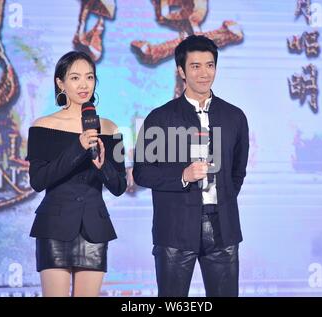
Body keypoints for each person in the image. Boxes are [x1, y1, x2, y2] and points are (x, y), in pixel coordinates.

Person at [133, 35, 249, 297]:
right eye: (195, 66)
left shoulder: (234, 117)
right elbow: (142, 172)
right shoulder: (160, 118)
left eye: (210, 65)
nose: (204, 73)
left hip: (223, 229)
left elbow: (237, 172)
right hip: (174, 229)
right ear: (181, 71)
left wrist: (224, 199)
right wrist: (182, 176)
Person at [26, 51, 126, 297]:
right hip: (54, 226)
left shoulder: (111, 128)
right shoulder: (42, 126)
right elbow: (38, 180)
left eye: (89, 77)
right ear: (60, 83)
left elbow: (120, 186)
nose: (84, 84)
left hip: (94, 228)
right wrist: (78, 147)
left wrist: (103, 166)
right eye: (75, 78)